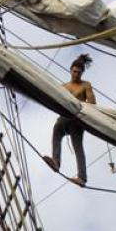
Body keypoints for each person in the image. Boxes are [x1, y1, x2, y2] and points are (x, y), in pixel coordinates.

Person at [42, 54, 95, 187]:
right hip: (64, 118)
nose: (76, 74)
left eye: (79, 72)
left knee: (78, 147)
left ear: (82, 73)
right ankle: (56, 162)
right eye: (74, 71)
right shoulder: (63, 86)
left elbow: (92, 103)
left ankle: (82, 177)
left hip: (77, 118)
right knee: (56, 130)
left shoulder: (85, 85)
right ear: (70, 70)